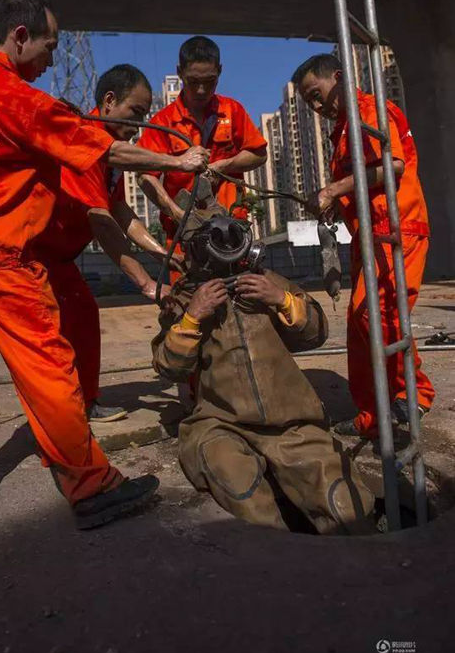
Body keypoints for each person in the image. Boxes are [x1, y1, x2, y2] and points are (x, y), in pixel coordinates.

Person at [0, 0, 208, 527]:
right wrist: (177, 157)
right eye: (48, 47)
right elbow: (106, 149)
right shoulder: (19, 100)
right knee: (48, 367)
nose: (52, 59)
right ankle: (90, 485)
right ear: (20, 37)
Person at [151, 206, 376, 535]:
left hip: (292, 423)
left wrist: (282, 299)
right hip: (222, 424)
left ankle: (366, 569)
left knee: (343, 504)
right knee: (240, 489)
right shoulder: (186, 299)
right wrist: (192, 317)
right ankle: (281, 572)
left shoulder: (267, 282)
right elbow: (168, 367)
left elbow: (316, 332)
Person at [292, 53, 434, 438]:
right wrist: (337, 205)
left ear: (338, 77)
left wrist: (333, 189)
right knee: (360, 322)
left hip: (397, 228)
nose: (316, 106)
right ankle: (372, 415)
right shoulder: (341, 131)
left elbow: (395, 165)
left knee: (379, 314)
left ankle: (414, 393)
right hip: (370, 235)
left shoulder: (369, 111)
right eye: (308, 103)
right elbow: (360, 186)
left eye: (317, 95)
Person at [33, 63, 182, 423]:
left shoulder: (110, 159)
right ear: (110, 101)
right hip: (32, 258)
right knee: (42, 341)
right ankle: (56, 420)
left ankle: (86, 401)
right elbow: (102, 223)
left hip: (60, 260)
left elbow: (119, 210)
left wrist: (163, 256)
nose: (140, 124)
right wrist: (148, 285)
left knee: (83, 316)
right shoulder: (81, 140)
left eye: (146, 115)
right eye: (136, 113)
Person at [137, 35, 267, 283]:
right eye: (193, 81)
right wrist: (177, 215)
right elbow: (144, 176)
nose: (201, 90)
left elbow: (259, 154)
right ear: (180, 73)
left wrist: (222, 166)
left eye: (209, 82)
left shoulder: (232, 111)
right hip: (184, 238)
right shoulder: (163, 123)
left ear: (219, 72)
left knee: (241, 300)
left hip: (232, 232)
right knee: (187, 308)